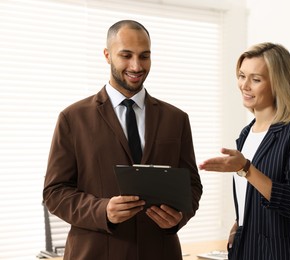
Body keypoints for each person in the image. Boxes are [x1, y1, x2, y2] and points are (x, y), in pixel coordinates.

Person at [43, 20, 202, 260]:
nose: (136, 66)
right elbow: (54, 192)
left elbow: (192, 185)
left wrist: (179, 217)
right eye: (126, 55)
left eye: (144, 56)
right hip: (95, 253)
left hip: (160, 252)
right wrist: (102, 210)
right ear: (107, 55)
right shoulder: (73, 118)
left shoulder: (176, 118)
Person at [199, 42, 290, 260]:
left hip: (281, 253)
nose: (245, 85)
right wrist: (239, 223)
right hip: (246, 246)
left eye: (256, 79)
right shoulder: (246, 134)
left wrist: (246, 168)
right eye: (242, 76)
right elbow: (251, 195)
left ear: (278, 84)